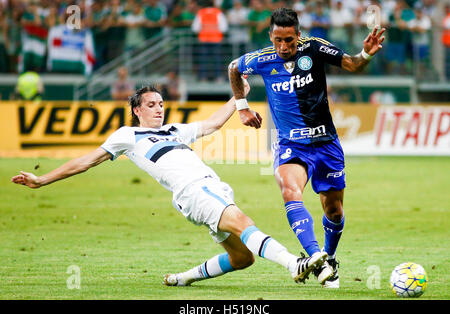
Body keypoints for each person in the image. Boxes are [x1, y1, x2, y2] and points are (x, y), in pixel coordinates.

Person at [11, 79, 328, 287]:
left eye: (161, 104)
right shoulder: (127, 136)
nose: (158, 108)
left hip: (211, 187)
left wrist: (238, 98)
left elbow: (213, 124)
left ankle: (182, 279)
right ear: (136, 110)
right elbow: (85, 162)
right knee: (244, 222)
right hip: (194, 191)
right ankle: (292, 263)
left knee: (242, 258)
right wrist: (42, 179)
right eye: (151, 105)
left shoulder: (175, 130)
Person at [228, 7, 385, 288]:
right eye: (278, 40)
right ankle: (317, 259)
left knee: (333, 210)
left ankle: (330, 257)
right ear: (271, 36)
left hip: (326, 144)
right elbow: (234, 68)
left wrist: (366, 55)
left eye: (289, 40)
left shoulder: (314, 48)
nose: (283, 46)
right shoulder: (261, 59)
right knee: (290, 191)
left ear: (298, 36)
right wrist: (242, 107)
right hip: (291, 145)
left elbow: (352, 64)